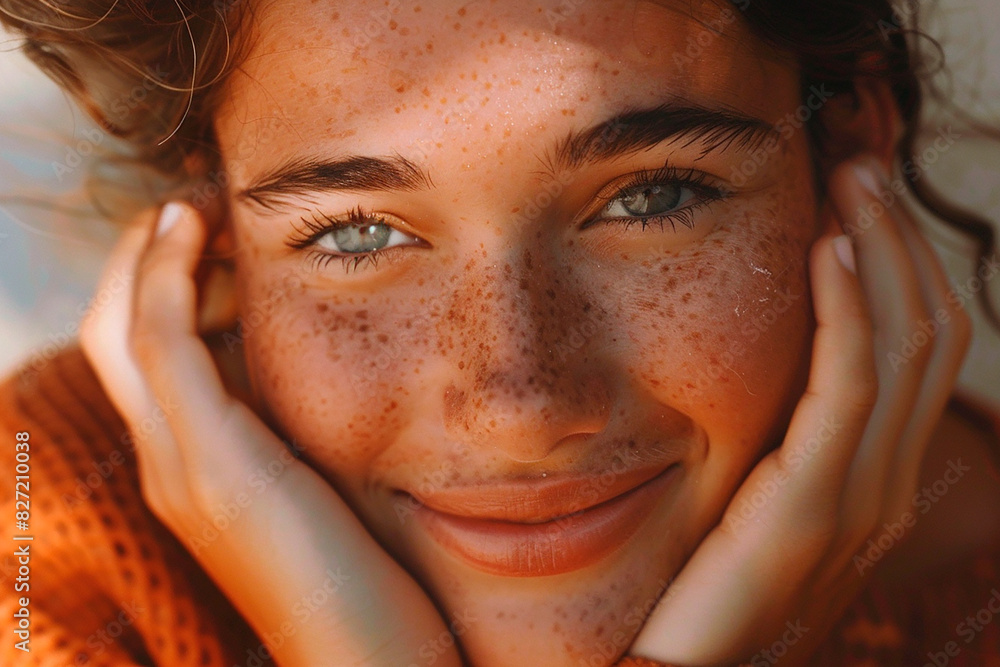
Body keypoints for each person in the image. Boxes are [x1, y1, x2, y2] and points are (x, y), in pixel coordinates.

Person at [1, 0, 998, 665]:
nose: (518, 407)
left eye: (650, 198)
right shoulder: (52, 551)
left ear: (844, 145)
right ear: (214, 237)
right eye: (356, 231)